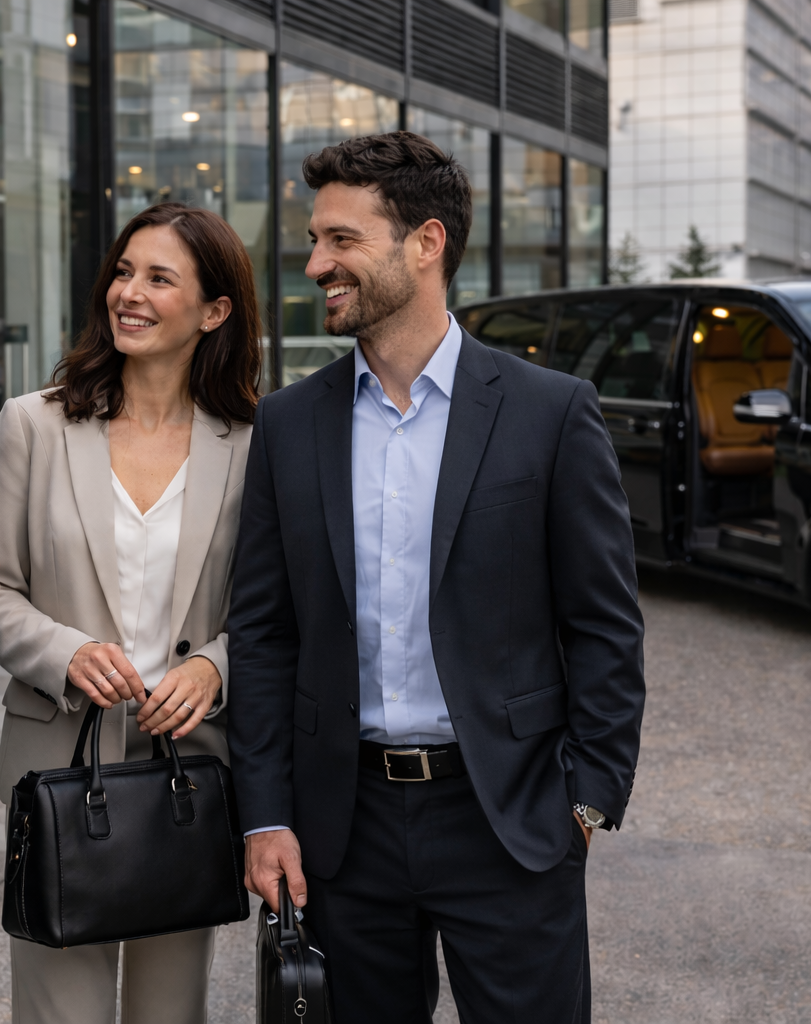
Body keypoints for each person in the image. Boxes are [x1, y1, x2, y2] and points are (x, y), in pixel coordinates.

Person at [228, 131, 647, 1023]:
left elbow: (604, 623)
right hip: (343, 831)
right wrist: (266, 814)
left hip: (509, 817)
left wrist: (587, 800)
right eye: (315, 240)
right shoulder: (290, 424)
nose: (315, 264)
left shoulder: (550, 414)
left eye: (341, 239)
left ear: (426, 243)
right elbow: (264, 633)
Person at [0, 202, 262, 1024]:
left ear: (214, 311)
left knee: (172, 1013)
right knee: (61, 1012)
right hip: (59, 760)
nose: (128, 292)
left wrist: (215, 665)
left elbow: (274, 609)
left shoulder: (251, 443)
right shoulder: (34, 423)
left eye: (159, 278)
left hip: (190, 771)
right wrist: (62, 651)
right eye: (123, 272)